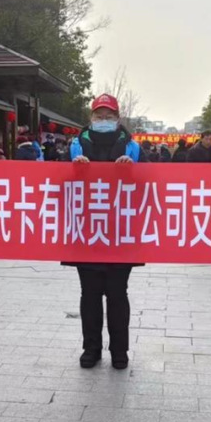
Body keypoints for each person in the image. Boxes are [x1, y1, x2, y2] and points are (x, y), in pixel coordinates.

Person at [66, 94, 142, 370]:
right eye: (99, 116)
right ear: (91, 118)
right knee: (89, 295)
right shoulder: (76, 146)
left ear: (118, 119)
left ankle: (119, 351)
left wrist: (131, 171)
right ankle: (91, 349)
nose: (104, 120)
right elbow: (58, 184)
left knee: (118, 294)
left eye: (109, 116)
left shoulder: (132, 148)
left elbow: (149, 185)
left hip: (121, 233)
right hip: (86, 232)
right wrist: (74, 170)